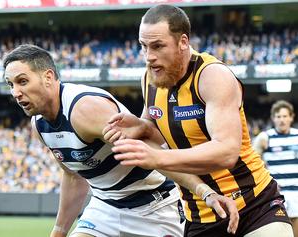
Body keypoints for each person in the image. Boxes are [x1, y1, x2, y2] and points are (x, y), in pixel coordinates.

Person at [3, 44, 239, 237]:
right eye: (10, 85)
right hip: (104, 207)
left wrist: (203, 191)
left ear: (48, 77)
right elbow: (73, 176)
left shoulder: (84, 109)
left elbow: (148, 150)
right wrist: (59, 230)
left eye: (22, 81)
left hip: (154, 208)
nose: (15, 92)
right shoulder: (39, 125)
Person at [102, 4, 294, 237]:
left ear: (183, 42)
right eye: (143, 46)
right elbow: (159, 132)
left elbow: (226, 152)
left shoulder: (212, 76)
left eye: (158, 46)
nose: (149, 57)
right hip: (199, 215)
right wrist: (140, 127)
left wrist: (159, 156)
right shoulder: (150, 79)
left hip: (254, 206)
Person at [253, 100, 298, 237]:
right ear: (273, 118)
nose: (282, 120)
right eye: (278, 116)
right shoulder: (265, 137)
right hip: (276, 193)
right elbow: (253, 163)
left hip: (296, 191)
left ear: (291, 117)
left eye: (285, 116)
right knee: (278, 229)